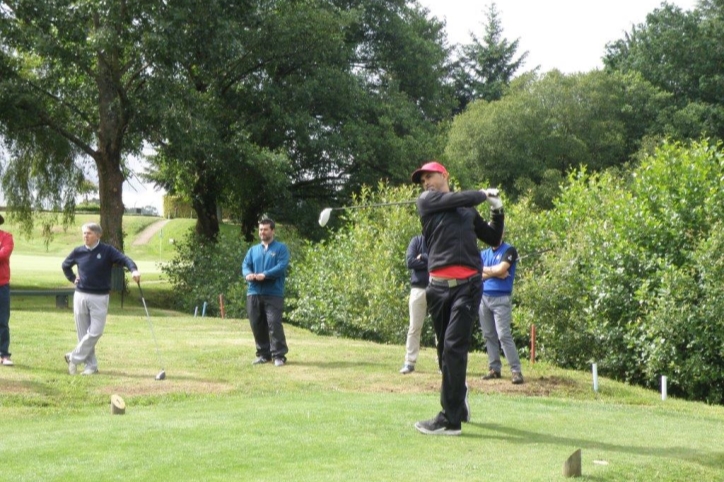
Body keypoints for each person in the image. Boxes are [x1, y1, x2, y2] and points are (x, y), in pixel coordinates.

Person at [411, 161, 504, 436]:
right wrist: (482, 193)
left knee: (454, 347)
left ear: (444, 175)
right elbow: (459, 197)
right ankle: (458, 400)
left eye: (430, 176)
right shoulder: (427, 201)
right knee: (444, 353)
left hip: (468, 286)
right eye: (422, 179)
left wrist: (497, 210)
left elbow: (493, 237)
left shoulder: (466, 210)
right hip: (438, 288)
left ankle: (449, 420)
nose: (426, 182)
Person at [62, 222, 140, 375]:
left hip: (99, 297)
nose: (85, 236)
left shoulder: (107, 251)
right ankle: (91, 366)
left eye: (89, 233)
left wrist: (134, 270)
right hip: (80, 295)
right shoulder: (78, 251)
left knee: (96, 331)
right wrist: (72, 278)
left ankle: (73, 357)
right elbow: (65, 265)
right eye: (84, 233)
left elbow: (125, 260)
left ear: (98, 235)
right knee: (83, 334)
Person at [242, 218, 290, 367]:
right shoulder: (253, 250)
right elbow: (245, 265)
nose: (262, 232)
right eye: (260, 229)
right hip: (254, 292)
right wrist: (248, 274)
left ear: (273, 231)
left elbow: (282, 266)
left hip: (273, 293)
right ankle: (263, 354)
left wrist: (266, 274)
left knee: (274, 323)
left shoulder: (280, 249)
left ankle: (279, 355)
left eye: (265, 229)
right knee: (257, 324)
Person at [479, 237, 524, 385]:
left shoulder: (509, 250)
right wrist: (495, 272)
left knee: (503, 335)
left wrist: (490, 271)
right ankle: (494, 368)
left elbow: (501, 269)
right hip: (484, 298)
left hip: (501, 299)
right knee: (488, 334)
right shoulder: (484, 254)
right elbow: (476, 273)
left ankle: (516, 370)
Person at [399, 234, 429, 375]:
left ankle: (443, 363)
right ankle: (409, 362)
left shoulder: (438, 240)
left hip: (436, 287)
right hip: (417, 289)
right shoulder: (416, 240)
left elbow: (441, 260)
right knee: (414, 327)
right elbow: (410, 262)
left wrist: (422, 257)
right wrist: (429, 262)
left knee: (441, 328)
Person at [0, 214, 15, 366]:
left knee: (2, 321)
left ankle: (4, 354)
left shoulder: (6, 237)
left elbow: (4, 254)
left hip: (1, 285)